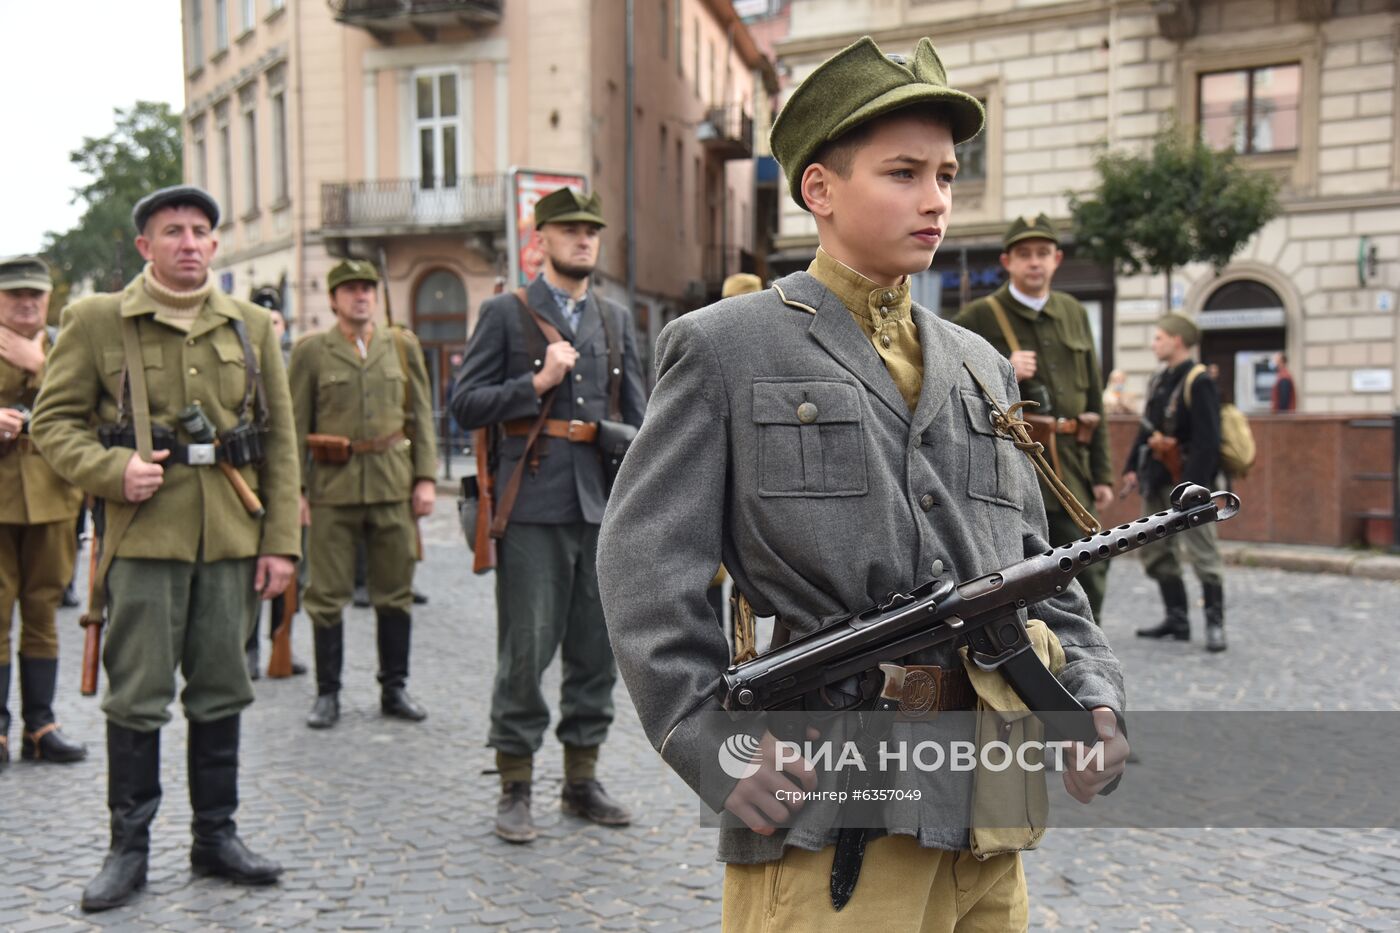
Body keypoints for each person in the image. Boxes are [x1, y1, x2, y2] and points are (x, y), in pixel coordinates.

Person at [596, 36, 1128, 928]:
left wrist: (1095, 698)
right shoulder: (727, 348)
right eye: (904, 173)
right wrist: (704, 739)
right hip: (832, 807)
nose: (936, 201)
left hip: (990, 808)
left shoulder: (983, 366)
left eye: (948, 176)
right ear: (820, 190)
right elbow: (645, 565)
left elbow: (1042, 570)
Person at [31, 185, 300, 911]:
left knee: (222, 688)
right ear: (145, 246)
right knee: (138, 696)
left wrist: (281, 544)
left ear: (215, 245)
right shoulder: (94, 321)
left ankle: (217, 837)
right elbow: (51, 425)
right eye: (171, 230)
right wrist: (111, 470)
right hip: (143, 540)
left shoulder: (251, 325)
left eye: (200, 230)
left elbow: (278, 441)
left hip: (231, 542)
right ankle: (130, 848)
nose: (188, 241)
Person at [451, 187, 647, 844]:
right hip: (530, 505)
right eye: (570, 231)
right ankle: (515, 783)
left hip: (602, 506)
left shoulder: (617, 320)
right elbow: (465, 403)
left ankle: (581, 777)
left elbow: (642, 421)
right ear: (541, 241)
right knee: (526, 648)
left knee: (596, 650)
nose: (584, 240)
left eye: (592, 230)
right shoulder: (507, 314)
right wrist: (534, 384)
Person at [289, 260, 436, 729]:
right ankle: (327, 693)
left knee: (394, 593)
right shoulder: (312, 352)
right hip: (332, 490)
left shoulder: (401, 344)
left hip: (392, 485)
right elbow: (294, 425)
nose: (360, 296)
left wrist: (425, 478)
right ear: (333, 300)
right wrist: (295, 490)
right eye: (350, 290)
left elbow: (421, 416)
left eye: (367, 289)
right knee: (326, 595)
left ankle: (394, 688)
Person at [952, 215, 1114, 622]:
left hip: (1071, 463)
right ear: (1007, 262)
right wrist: (1003, 368)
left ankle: (1086, 651)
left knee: (1091, 561)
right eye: (1024, 255)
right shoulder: (978, 317)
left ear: (1057, 259)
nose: (1034, 263)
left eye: (1043, 253)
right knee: (1023, 566)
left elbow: (1094, 391)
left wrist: (1102, 472)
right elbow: (948, 386)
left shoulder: (1073, 312)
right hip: (1012, 461)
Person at [0, 254, 88, 770]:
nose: (27, 304)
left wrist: (40, 367)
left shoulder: (63, 347)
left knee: (43, 612)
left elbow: (96, 405)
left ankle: (41, 725)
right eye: (15, 296)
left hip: (53, 498)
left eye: (35, 295)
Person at [1122, 314, 1227, 652]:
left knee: (1203, 554)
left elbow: (1209, 441)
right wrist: (1131, 467)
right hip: (1157, 477)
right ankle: (1177, 619)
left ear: (1177, 341)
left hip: (1191, 483)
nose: (1154, 344)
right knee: (1155, 551)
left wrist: (1194, 488)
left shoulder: (1199, 381)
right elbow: (1146, 427)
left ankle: (1215, 624)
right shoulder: (1159, 379)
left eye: (1159, 338)